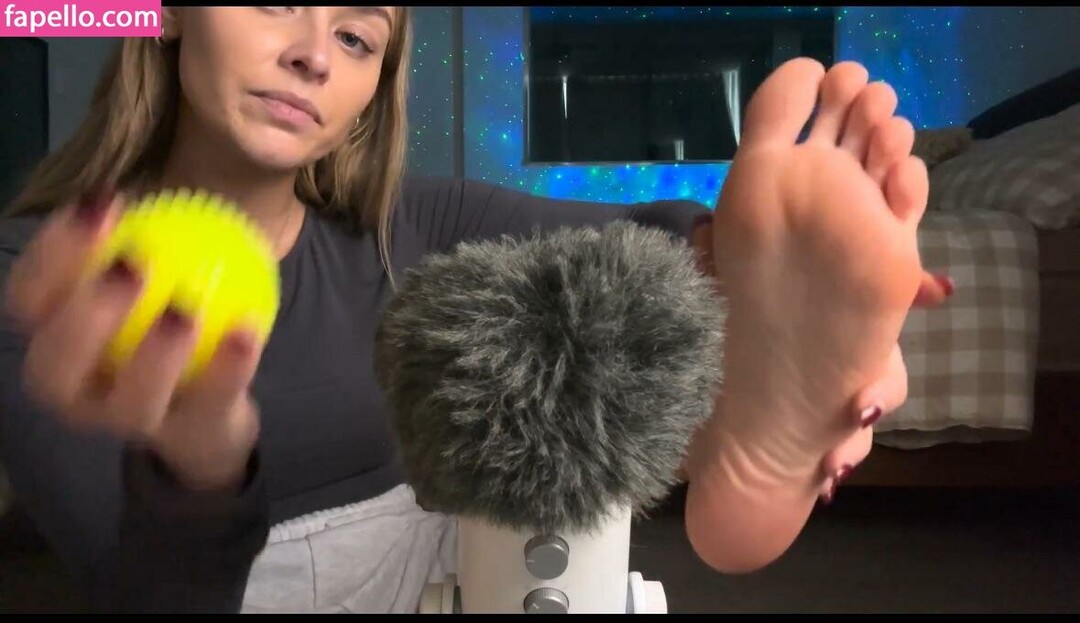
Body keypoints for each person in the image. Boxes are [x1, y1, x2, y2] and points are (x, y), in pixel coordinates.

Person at [0, 7, 950, 614]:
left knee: (585, 339)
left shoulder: (408, 226)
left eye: (356, 38)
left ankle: (754, 378)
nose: (312, 56)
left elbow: (637, 240)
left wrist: (768, 274)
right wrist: (200, 469)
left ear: (373, 90)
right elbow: (136, 589)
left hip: (453, 584)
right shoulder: (39, 271)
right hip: (215, 592)